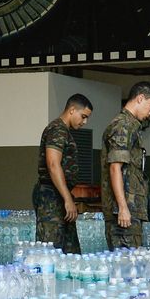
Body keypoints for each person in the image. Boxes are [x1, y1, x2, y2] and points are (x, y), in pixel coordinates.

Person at [34, 94, 92, 254]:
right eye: (83, 116)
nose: (85, 122)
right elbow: (53, 164)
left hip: (59, 193)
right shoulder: (57, 129)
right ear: (72, 110)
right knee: (51, 250)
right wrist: (67, 199)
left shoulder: (64, 131)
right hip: (51, 195)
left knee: (69, 251)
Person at [104, 81, 150, 251]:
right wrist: (122, 207)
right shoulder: (123, 126)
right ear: (140, 98)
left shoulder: (131, 126)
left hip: (131, 209)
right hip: (124, 212)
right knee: (126, 266)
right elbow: (115, 168)